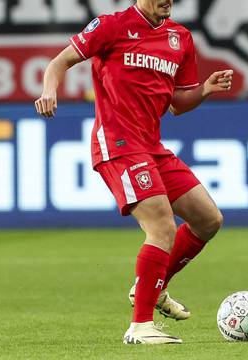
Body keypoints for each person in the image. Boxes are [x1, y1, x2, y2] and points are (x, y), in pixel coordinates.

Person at [34, 0, 233, 345]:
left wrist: (205, 89)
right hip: (118, 143)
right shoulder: (112, 26)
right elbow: (60, 61)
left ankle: (153, 287)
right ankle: (140, 327)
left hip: (152, 146)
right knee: (161, 225)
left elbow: (177, 103)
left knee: (208, 219)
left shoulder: (180, 38)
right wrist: (49, 90)